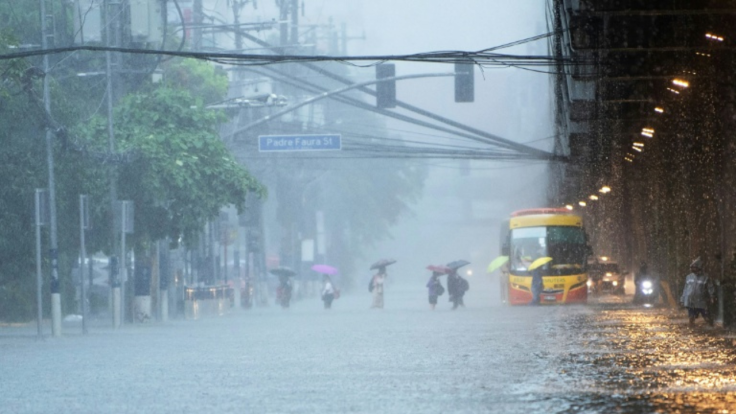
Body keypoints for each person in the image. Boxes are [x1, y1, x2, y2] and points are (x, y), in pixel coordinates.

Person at [680, 257, 716, 326]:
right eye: (692, 267)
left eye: (694, 267)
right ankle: (692, 329)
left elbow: (710, 288)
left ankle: (711, 326)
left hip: (701, 301)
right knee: (691, 317)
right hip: (691, 301)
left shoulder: (705, 277)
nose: (692, 269)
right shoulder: (689, 277)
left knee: (706, 316)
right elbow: (685, 289)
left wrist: (712, 296)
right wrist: (682, 299)